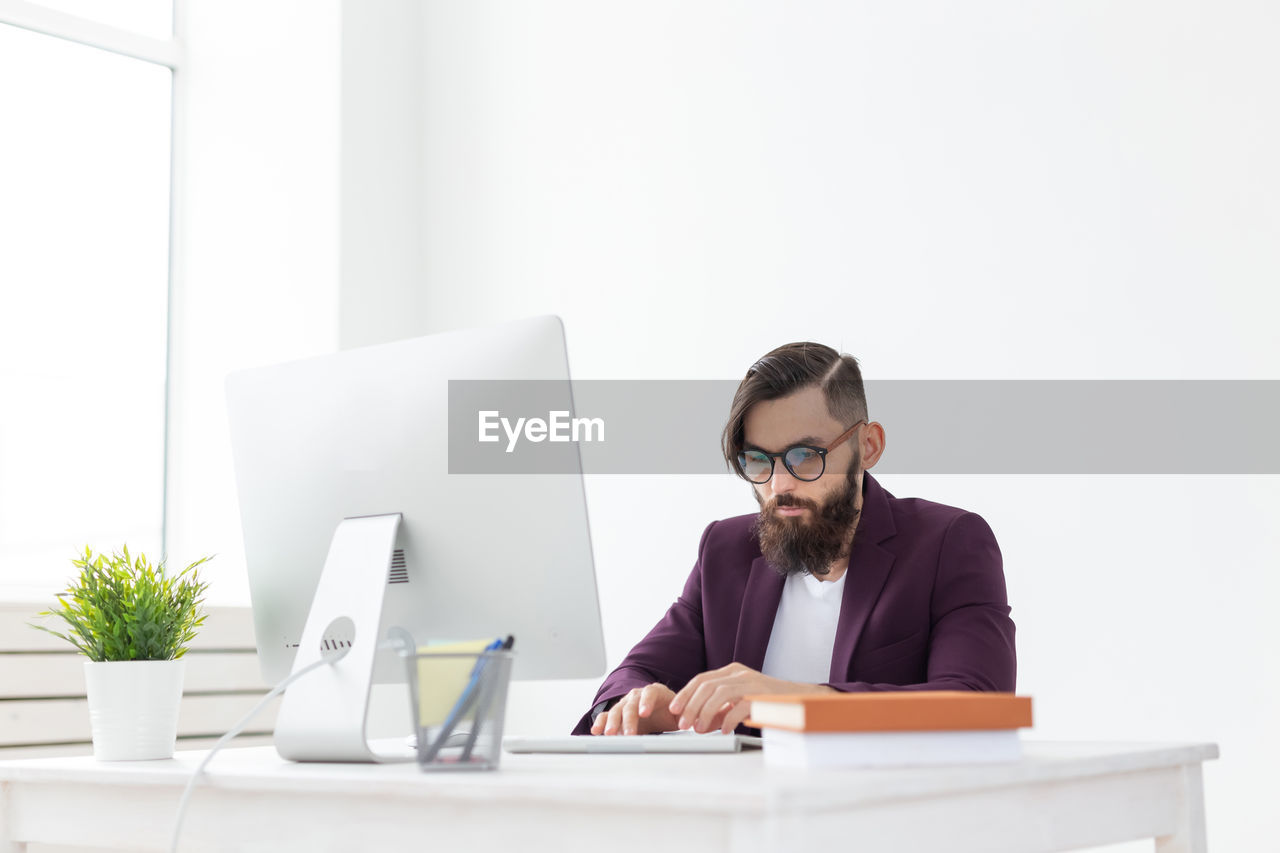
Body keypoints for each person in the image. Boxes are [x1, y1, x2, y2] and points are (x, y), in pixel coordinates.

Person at [574, 342, 1016, 736]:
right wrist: (635, 706)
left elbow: (979, 703)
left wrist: (786, 700)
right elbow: (635, 672)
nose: (779, 485)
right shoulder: (726, 549)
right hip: (747, 813)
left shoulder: (948, 543)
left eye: (806, 457)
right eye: (758, 460)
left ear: (869, 446)